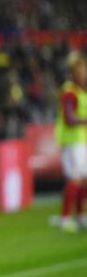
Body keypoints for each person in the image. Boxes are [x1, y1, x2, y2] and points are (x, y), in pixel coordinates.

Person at [54, 51, 87, 233]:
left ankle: (81, 217)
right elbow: (69, 118)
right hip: (72, 141)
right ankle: (65, 219)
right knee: (75, 179)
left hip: (81, 141)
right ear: (73, 74)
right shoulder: (69, 92)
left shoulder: (81, 92)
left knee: (83, 180)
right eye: (80, 72)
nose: (84, 75)